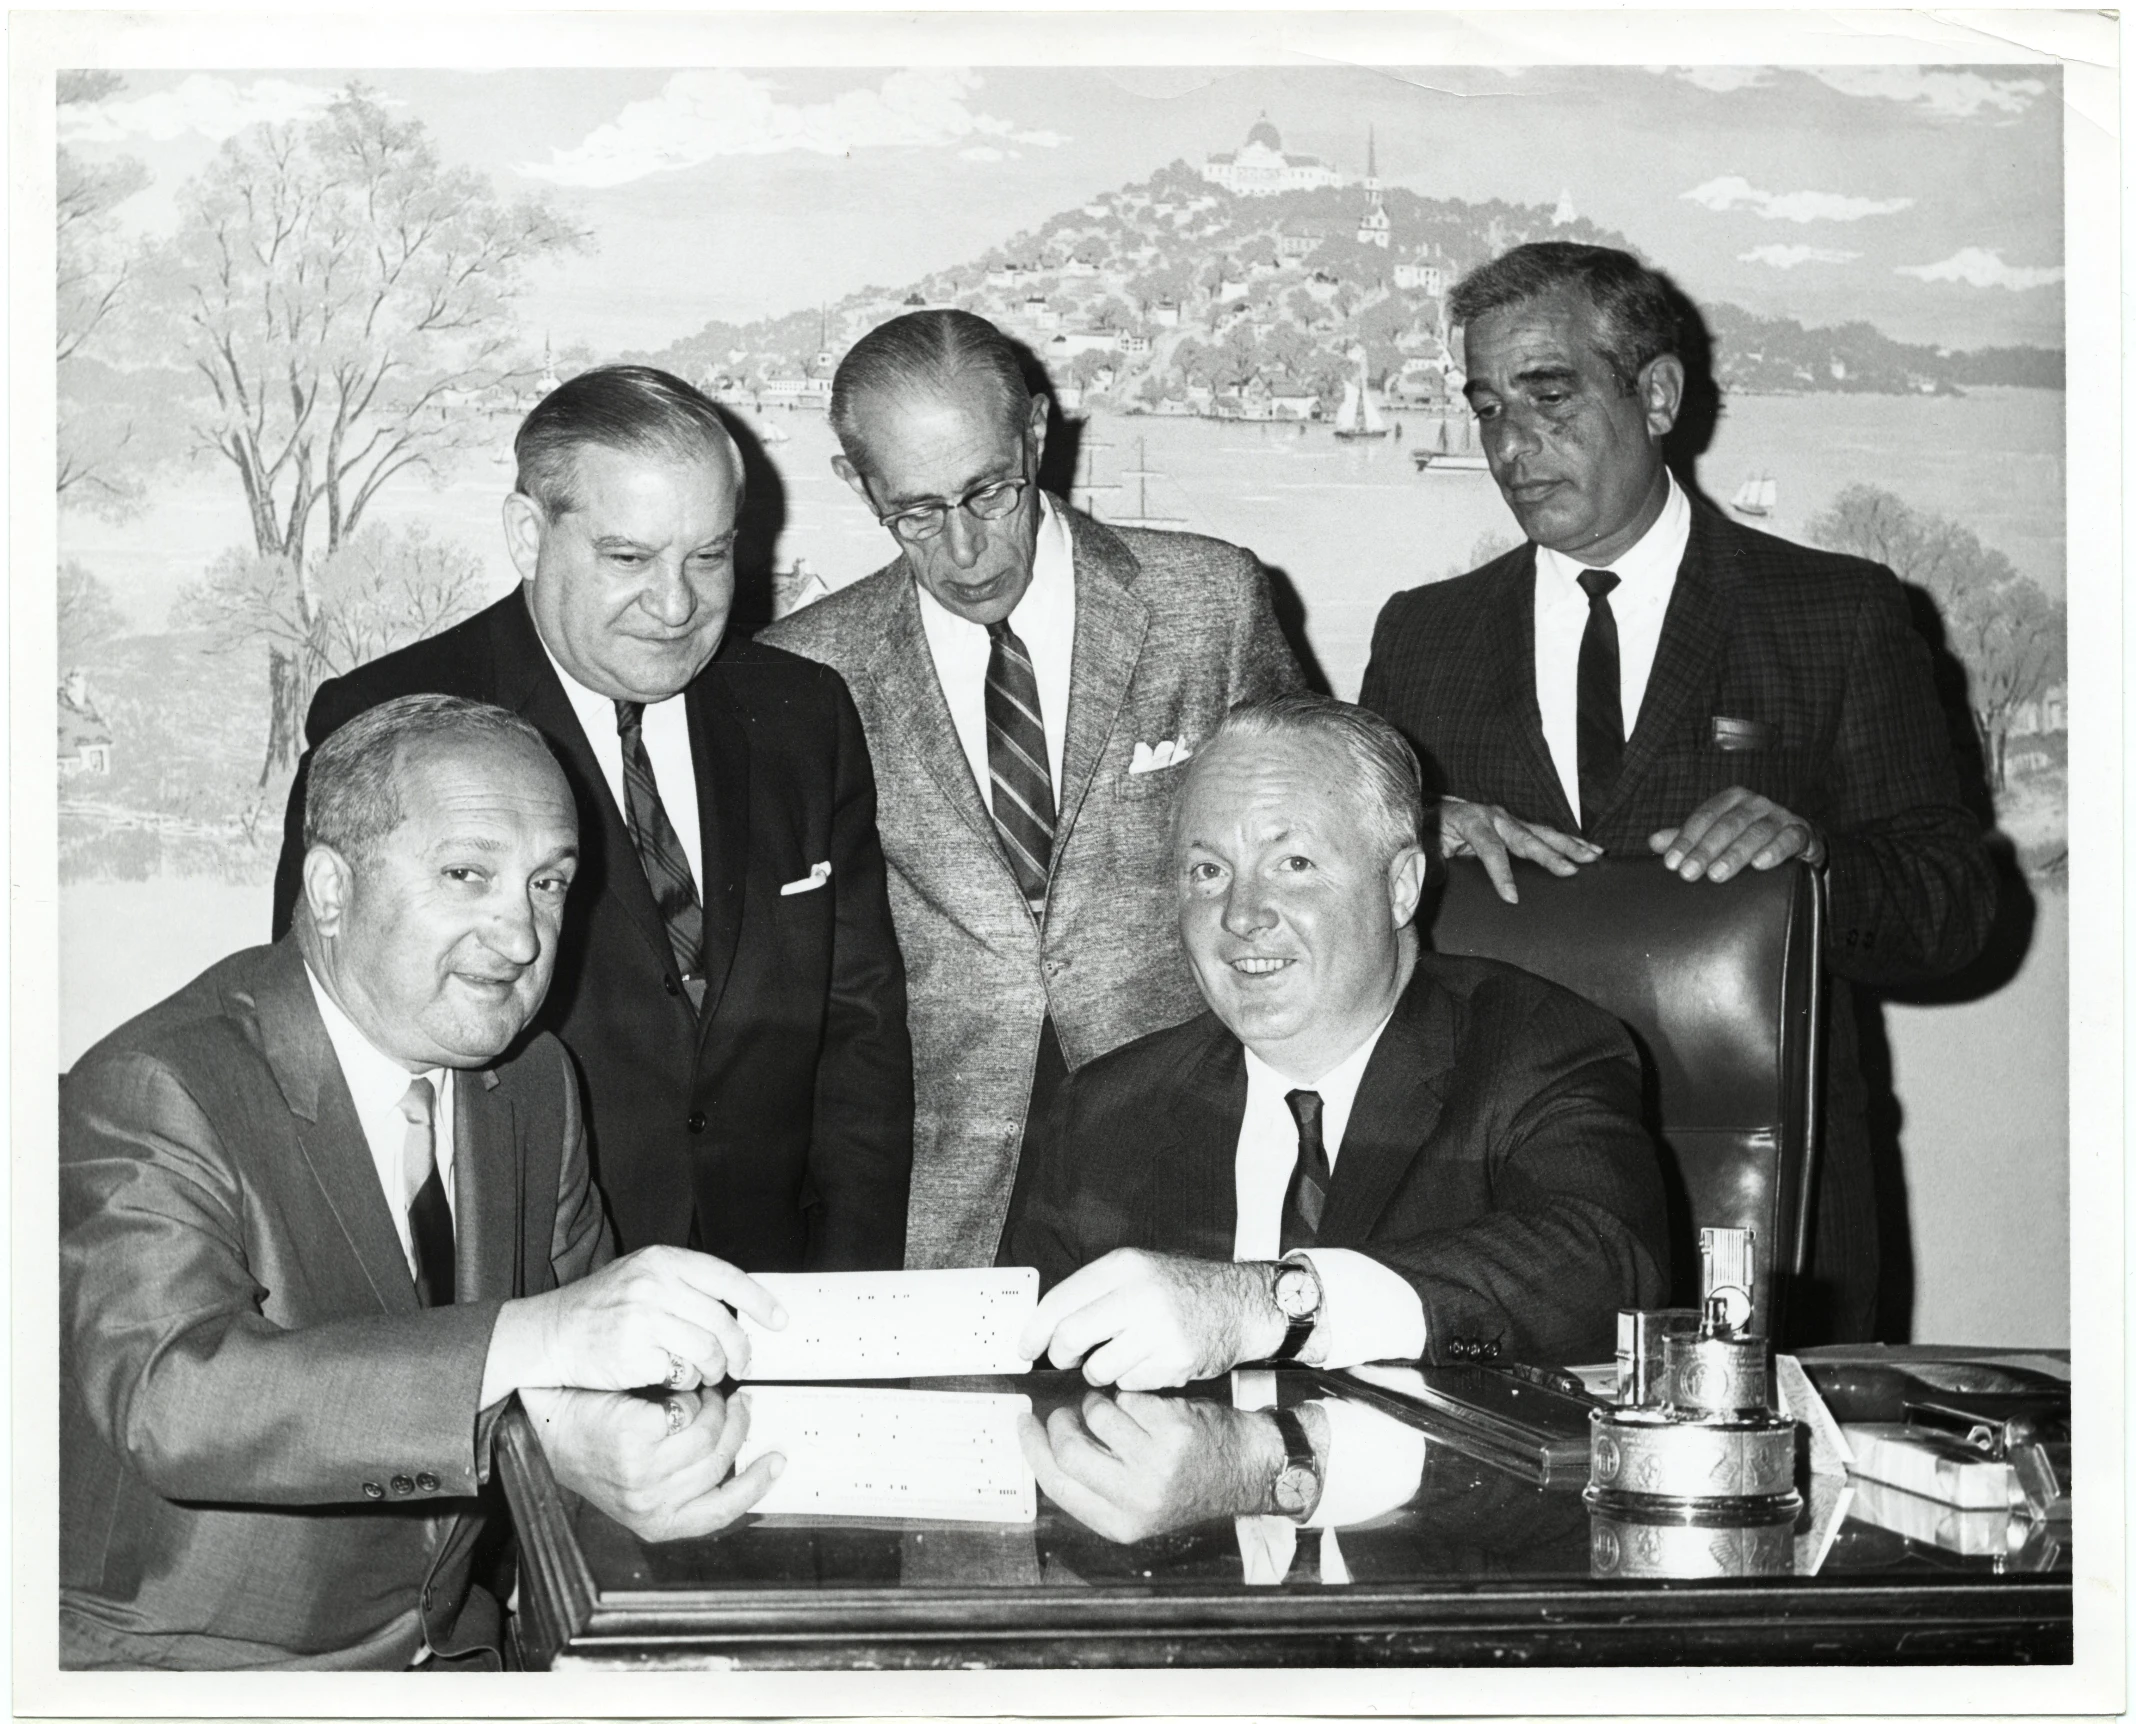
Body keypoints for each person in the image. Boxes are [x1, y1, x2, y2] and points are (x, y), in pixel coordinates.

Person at [62, 696, 786, 1670]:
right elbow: (175, 1403)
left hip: (457, 1651)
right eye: (467, 875)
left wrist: (599, 1442)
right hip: (195, 1670)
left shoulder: (532, 1082)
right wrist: (542, 1336)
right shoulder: (160, 1084)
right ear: (329, 887)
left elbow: (568, 1376)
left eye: (548, 883)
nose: (525, 937)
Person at [1357, 242, 1997, 1343]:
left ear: (1656, 394)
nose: (1512, 444)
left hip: (1772, 1224)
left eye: (1549, 395)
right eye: (1486, 406)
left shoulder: (1834, 616)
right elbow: (1341, 928)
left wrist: (1820, 860)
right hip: (1490, 1232)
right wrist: (1399, 841)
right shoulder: (1423, 637)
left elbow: (1957, 906)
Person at [270, 367, 913, 1270]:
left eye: (709, 555)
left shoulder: (803, 713)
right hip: (531, 1294)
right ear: (528, 535)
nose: (677, 603)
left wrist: (849, 1296)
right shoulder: (395, 719)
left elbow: (863, 1035)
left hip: (774, 1291)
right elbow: (338, 1060)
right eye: (628, 558)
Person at [762, 310, 1302, 1270]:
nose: (966, 552)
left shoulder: (1208, 602)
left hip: (1192, 1145)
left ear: (1039, 435)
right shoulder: (807, 669)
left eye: (990, 492)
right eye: (917, 513)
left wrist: (1428, 807)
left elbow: (1308, 811)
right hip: (940, 1185)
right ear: (856, 484)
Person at [1006, 693, 1668, 1386]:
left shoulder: (1531, 1047)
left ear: (1401, 886)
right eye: (1208, 871)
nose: (1241, 915)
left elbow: (1610, 1266)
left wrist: (1273, 1305)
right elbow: (1032, 1385)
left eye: (1293, 863)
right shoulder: (1106, 1113)